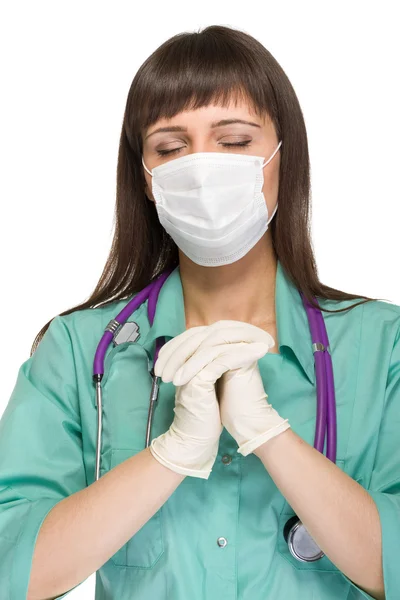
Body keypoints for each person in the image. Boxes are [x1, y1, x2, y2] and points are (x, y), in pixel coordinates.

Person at [0, 24, 398, 600]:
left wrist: (269, 434)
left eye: (234, 142)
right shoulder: (78, 350)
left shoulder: (383, 346)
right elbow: (12, 567)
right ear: (144, 176)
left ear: (286, 157)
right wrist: (170, 455)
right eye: (170, 147)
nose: (202, 170)